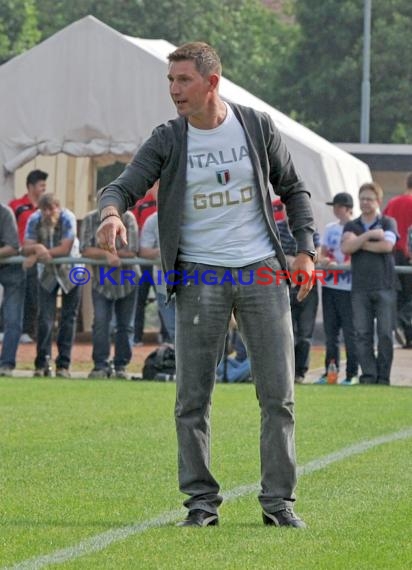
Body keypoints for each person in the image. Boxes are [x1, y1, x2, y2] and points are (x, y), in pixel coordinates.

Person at [97, 42, 316, 528]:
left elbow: (294, 189)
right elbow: (122, 186)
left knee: (278, 397)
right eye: (170, 81)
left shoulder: (256, 127)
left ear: (211, 82)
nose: (174, 90)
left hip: (262, 271)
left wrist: (305, 250)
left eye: (183, 80)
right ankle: (201, 504)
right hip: (198, 275)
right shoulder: (168, 138)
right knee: (192, 399)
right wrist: (112, 213)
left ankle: (279, 504)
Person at [341, 182, 398, 385]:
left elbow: (387, 246)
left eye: (369, 199)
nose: (365, 202)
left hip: (385, 286)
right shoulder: (351, 225)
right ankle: (368, 376)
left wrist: (359, 243)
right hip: (359, 288)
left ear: (378, 201)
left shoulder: (389, 222)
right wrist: (369, 236)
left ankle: (383, 377)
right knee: (362, 334)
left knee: (384, 335)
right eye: (362, 198)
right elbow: (346, 248)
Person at [22, 194, 81, 378]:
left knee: (68, 319)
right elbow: (26, 246)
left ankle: (63, 365)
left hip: (71, 272)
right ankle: (42, 363)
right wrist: (38, 249)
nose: (47, 213)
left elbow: (65, 248)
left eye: (51, 208)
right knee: (45, 318)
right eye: (44, 209)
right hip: (47, 272)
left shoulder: (68, 218)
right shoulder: (34, 219)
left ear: (58, 207)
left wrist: (37, 253)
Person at [80, 208, 139, 379]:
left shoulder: (128, 218)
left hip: (128, 279)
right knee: (100, 323)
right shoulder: (90, 219)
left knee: (125, 326)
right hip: (101, 281)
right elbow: (85, 249)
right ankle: (100, 366)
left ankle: (121, 367)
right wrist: (107, 254)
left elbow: (132, 249)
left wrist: (109, 254)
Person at [273, 199, 320, 384]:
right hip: (284, 286)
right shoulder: (277, 229)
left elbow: (318, 254)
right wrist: (292, 259)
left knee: (305, 334)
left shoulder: (310, 231)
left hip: (307, 286)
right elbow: (273, 254)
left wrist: (297, 260)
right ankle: (286, 371)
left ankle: (300, 372)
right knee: (285, 332)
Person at [316, 192, 359, 385]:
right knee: (330, 332)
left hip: (349, 287)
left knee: (350, 332)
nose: (335, 209)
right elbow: (323, 251)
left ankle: (351, 374)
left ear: (348, 208)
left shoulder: (356, 227)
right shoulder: (330, 228)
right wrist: (324, 259)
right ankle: (330, 371)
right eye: (334, 206)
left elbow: (355, 255)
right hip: (330, 284)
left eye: (339, 206)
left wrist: (340, 265)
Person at [9, 169, 48, 343]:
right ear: (31, 186)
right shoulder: (16, 206)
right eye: (41, 185)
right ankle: (5, 328)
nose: (43, 189)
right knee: (13, 293)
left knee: (33, 293)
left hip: (35, 257)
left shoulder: (44, 208)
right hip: (16, 256)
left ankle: (27, 330)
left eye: (44, 186)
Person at [383, 173, 412, 348]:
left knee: (401, 296)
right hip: (408, 253)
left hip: (392, 254)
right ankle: (400, 321)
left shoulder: (393, 202)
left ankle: (407, 336)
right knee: (409, 298)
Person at [131, 183, 162, 345]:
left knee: (164, 297)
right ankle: (136, 336)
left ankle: (166, 336)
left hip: (161, 262)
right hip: (144, 259)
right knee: (140, 299)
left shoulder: (168, 195)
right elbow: (133, 227)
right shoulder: (139, 201)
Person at [139, 210, 176, 344]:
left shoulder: (192, 215)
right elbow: (144, 251)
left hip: (193, 283)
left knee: (193, 330)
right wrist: (166, 251)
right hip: (163, 285)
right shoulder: (153, 220)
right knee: (173, 331)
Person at [0, 204, 25, 376]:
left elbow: (13, 246)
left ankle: (6, 364)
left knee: (13, 318)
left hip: (10, 268)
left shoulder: (5, 213)